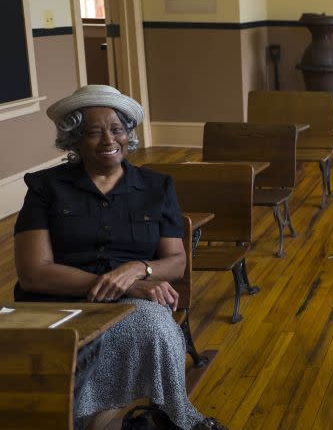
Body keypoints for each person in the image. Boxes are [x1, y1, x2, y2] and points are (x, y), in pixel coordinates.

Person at [13, 85, 226, 430]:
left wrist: (136, 271)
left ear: (129, 135)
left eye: (117, 129)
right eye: (93, 132)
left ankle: (175, 417)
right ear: (74, 140)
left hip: (130, 304)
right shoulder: (44, 187)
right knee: (41, 351)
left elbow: (176, 261)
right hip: (54, 302)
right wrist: (124, 287)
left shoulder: (158, 187)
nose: (108, 140)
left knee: (156, 327)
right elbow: (33, 274)